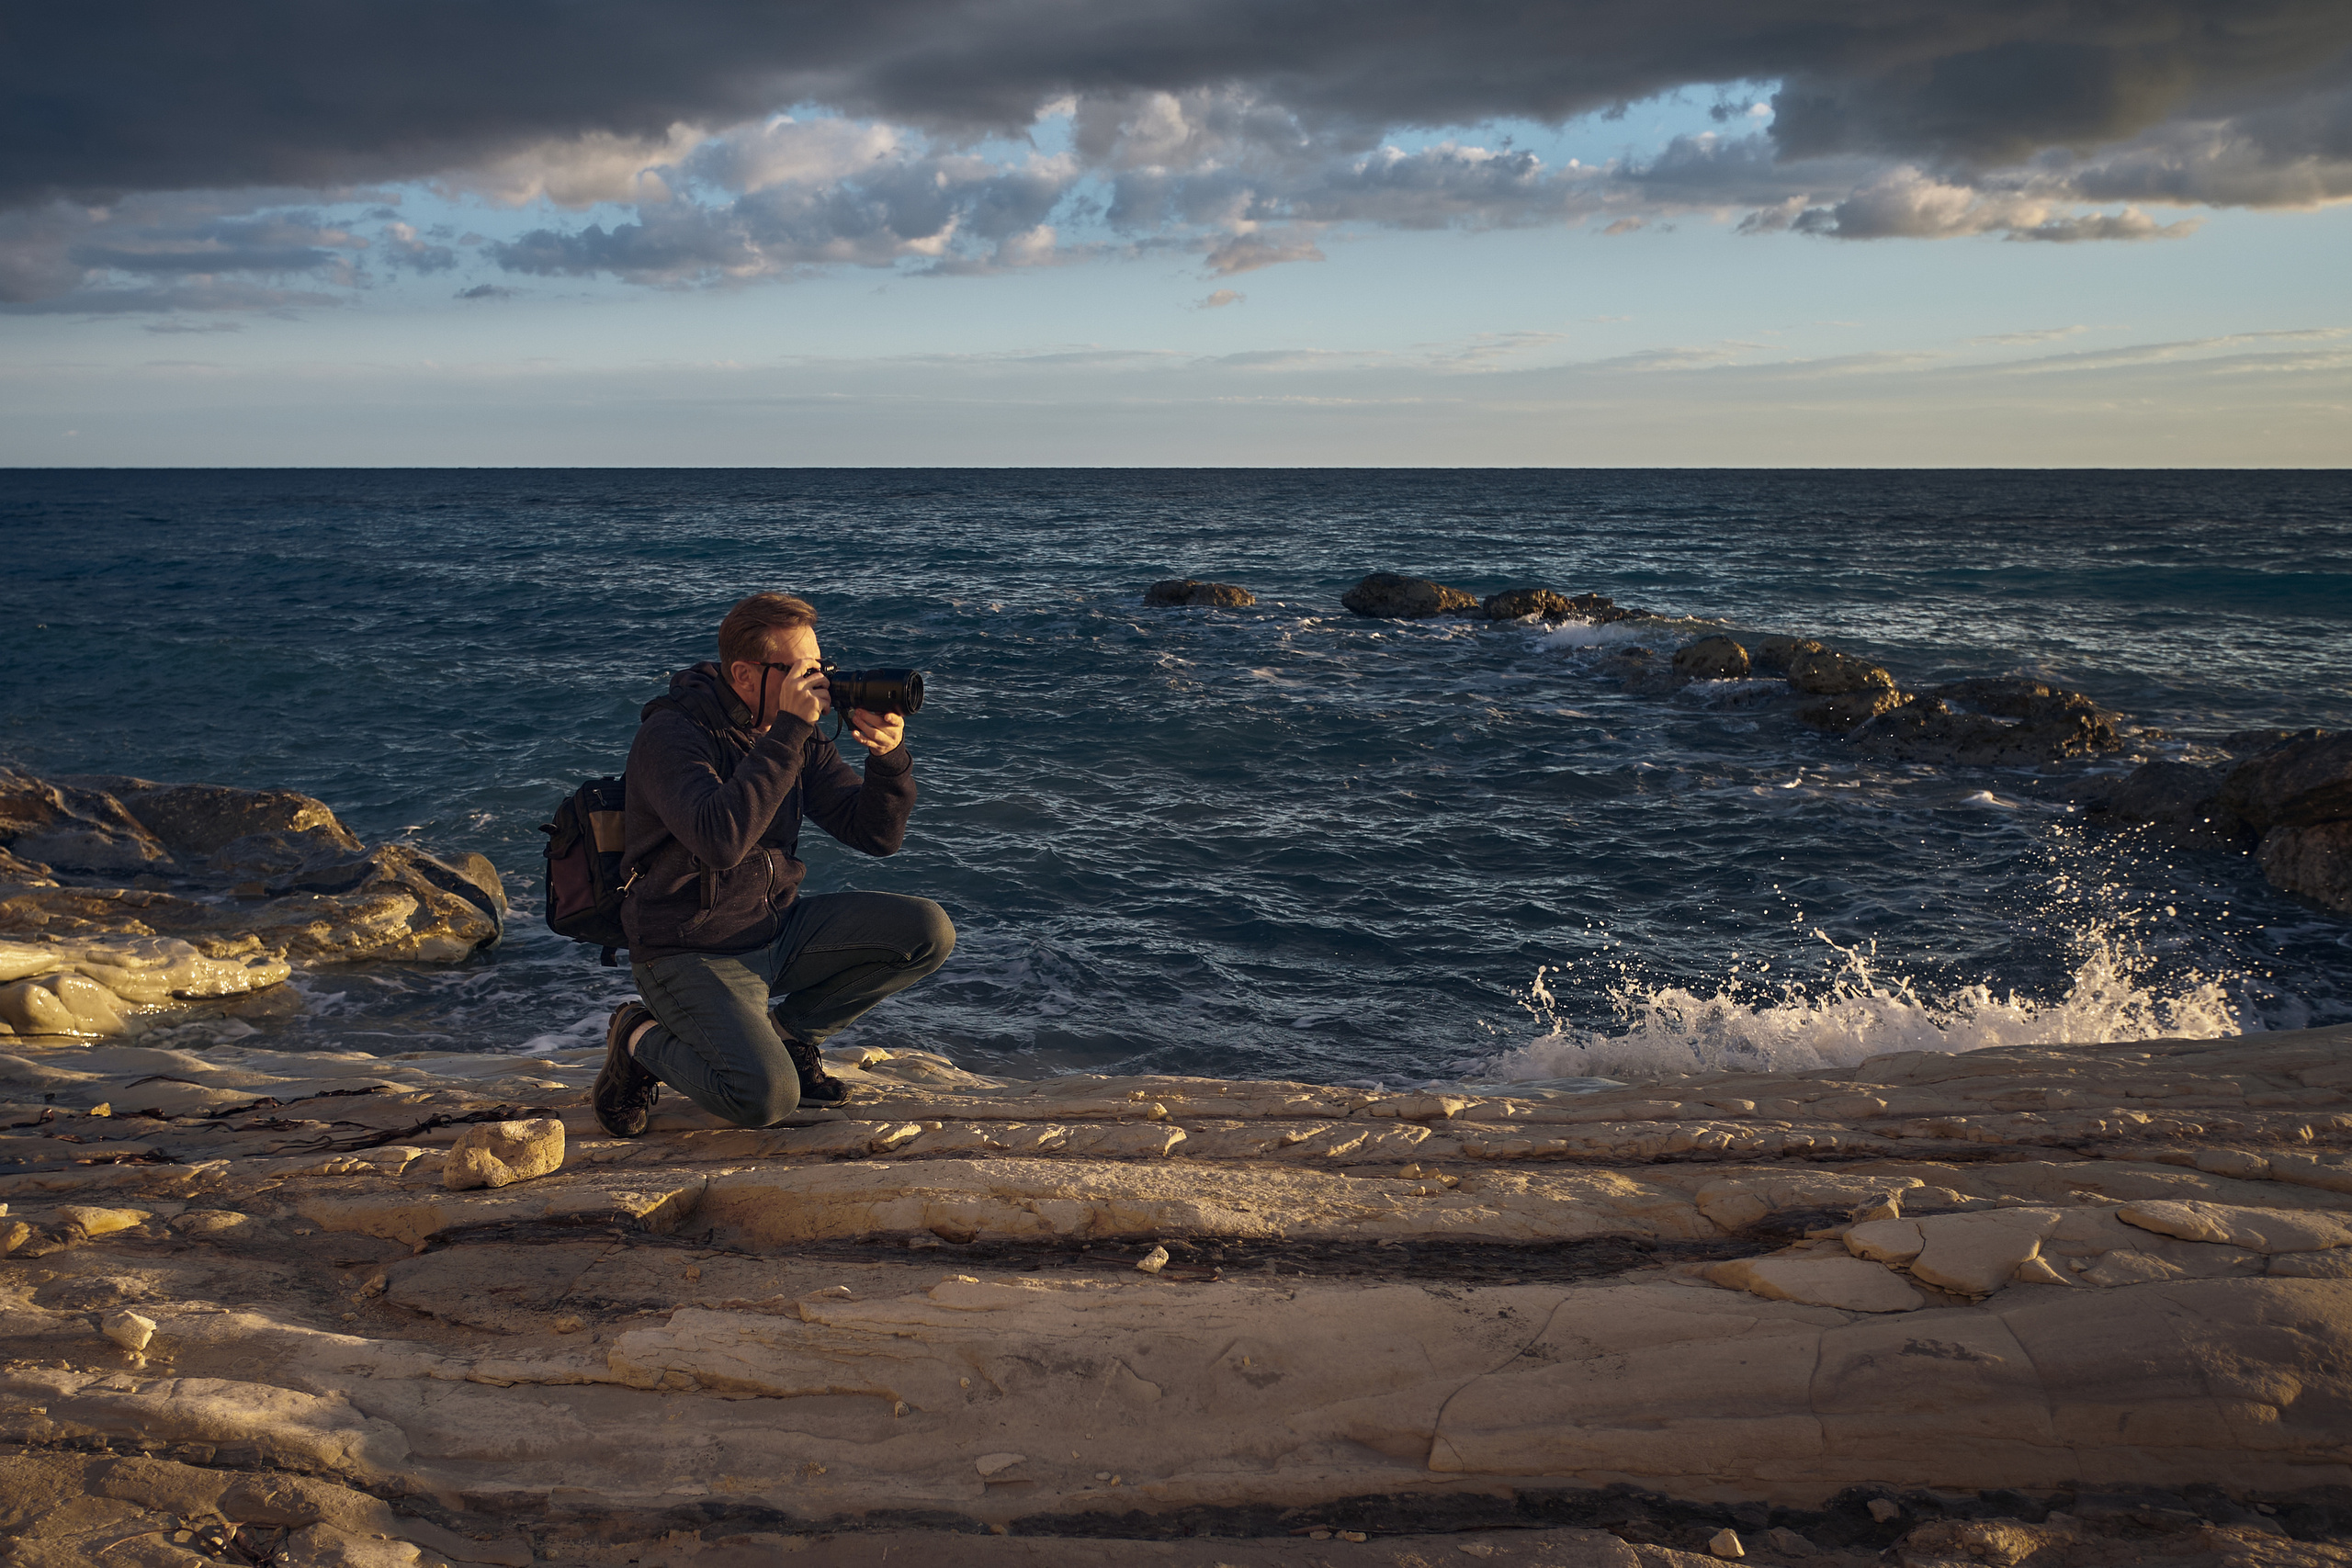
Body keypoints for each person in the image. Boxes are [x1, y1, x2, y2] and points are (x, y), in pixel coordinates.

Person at [593, 592, 955, 1137]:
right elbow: (720, 841)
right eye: (801, 671)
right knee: (765, 1098)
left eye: (820, 667)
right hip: (687, 948)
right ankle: (636, 1038)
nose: (819, 683)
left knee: (927, 931)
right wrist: (788, 731)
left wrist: (888, 760)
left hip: (774, 929)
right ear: (745, 674)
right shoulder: (672, 735)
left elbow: (875, 835)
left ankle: (790, 1035)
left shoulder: (794, 735)